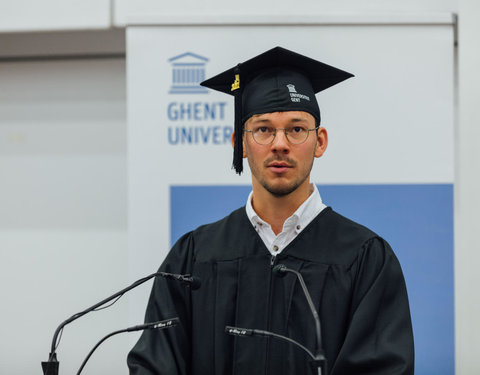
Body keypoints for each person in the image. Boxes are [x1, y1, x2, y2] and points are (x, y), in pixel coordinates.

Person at [127, 46, 414, 375]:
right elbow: (155, 366)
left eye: (296, 129)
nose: (280, 143)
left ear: (320, 142)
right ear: (241, 143)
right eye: (263, 129)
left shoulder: (365, 259)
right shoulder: (193, 257)